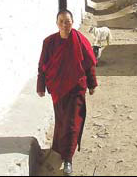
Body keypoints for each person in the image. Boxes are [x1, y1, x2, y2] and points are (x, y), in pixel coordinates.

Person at [37, 10, 98, 176]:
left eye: (68, 21)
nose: (65, 24)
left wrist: (92, 84)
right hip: (57, 89)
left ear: (73, 22)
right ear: (57, 23)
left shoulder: (80, 41)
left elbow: (89, 64)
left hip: (76, 88)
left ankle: (68, 159)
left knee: (72, 123)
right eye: (62, 21)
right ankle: (57, 151)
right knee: (61, 121)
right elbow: (42, 65)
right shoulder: (49, 42)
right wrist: (40, 86)